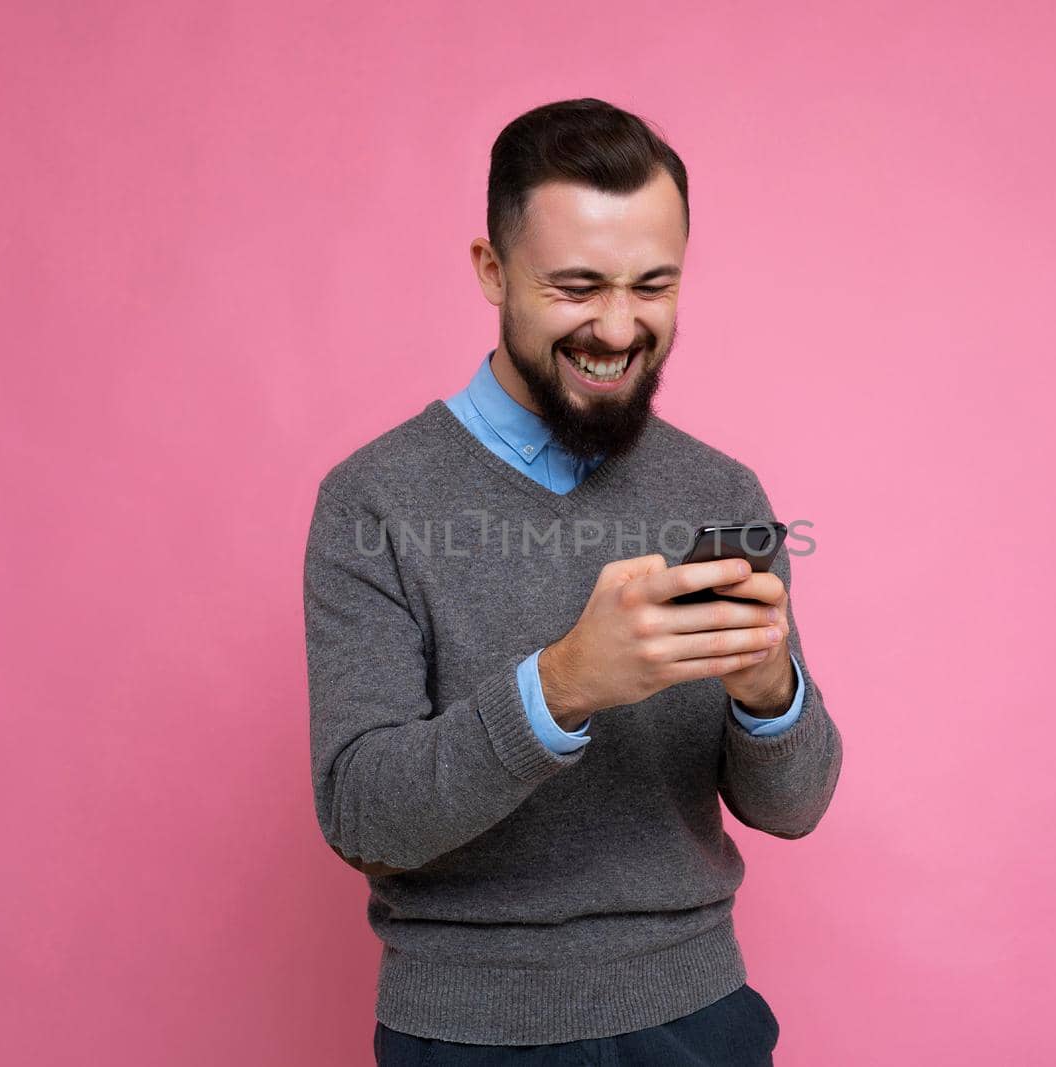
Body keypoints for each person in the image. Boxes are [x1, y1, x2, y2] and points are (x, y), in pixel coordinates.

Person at [303, 97, 843, 1066]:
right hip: (465, 1036)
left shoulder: (719, 489)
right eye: (577, 285)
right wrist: (558, 686)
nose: (618, 325)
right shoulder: (372, 499)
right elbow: (361, 815)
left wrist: (771, 695)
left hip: (699, 1020)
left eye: (653, 284)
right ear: (491, 270)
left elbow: (792, 806)